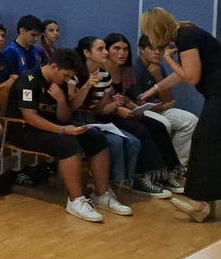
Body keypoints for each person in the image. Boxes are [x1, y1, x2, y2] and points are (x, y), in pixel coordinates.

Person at [5, 48, 131, 222]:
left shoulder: (60, 84)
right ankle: (76, 200)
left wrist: (61, 100)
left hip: (50, 128)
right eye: (65, 75)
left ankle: (101, 194)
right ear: (54, 66)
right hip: (23, 130)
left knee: (96, 138)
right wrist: (63, 130)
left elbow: (64, 117)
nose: (66, 79)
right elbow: (30, 117)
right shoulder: (28, 80)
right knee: (68, 144)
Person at [137, 8, 221, 222]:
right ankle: (205, 203)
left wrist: (168, 59)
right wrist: (153, 89)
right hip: (218, 95)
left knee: (204, 144)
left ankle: (199, 203)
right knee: (211, 146)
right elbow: (183, 74)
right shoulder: (187, 33)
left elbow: (191, 77)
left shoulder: (186, 36)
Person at [72, 35, 176, 197]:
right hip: (83, 118)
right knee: (132, 134)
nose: (107, 52)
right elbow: (74, 106)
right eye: (103, 49)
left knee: (152, 128)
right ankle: (129, 180)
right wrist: (89, 88)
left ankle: (163, 173)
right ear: (87, 53)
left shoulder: (110, 74)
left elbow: (106, 105)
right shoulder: (77, 73)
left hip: (102, 115)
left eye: (125, 49)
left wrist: (121, 105)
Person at [132, 32, 199, 173]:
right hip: (140, 112)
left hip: (156, 108)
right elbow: (138, 104)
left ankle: (177, 166)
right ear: (141, 49)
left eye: (161, 49)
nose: (157, 52)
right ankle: (161, 168)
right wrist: (161, 107)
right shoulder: (134, 68)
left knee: (191, 120)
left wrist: (158, 76)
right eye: (152, 48)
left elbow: (168, 98)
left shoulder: (158, 67)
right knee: (163, 123)